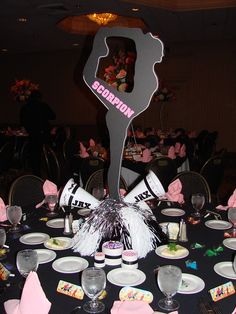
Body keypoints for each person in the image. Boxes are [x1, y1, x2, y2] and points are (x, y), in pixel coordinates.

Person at [20, 90, 56, 176]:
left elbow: (23, 122)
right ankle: (51, 174)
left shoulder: (25, 107)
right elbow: (53, 116)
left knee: (35, 157)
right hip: (44, 134)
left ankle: (37, 176)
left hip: (33, 135)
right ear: (39, 97)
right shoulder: (43, 106)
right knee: (48, 155)